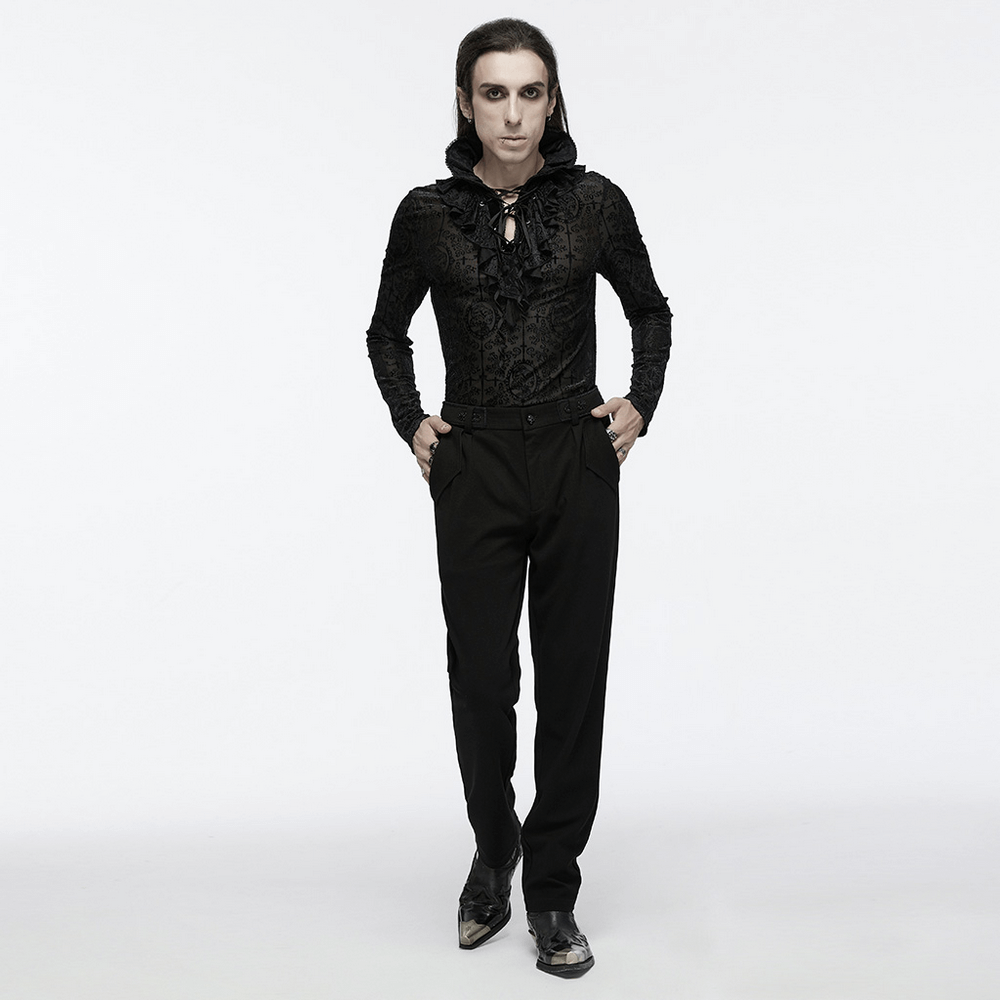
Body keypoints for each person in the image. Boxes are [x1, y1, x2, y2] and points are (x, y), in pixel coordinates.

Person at [366, 18, 671, 978]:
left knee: (574, 679)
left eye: (529, 93)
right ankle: (494, 847)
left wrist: (640, 402)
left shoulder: (595, 202)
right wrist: (412, 421)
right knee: (481, 678)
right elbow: (384, 331)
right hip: (477, 462)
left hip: (577, 458)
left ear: (552, 100)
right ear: (465, 103)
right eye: (493, 93)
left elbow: (650, 310)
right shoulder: (425, 214)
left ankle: (552, 889)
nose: (512, 114)